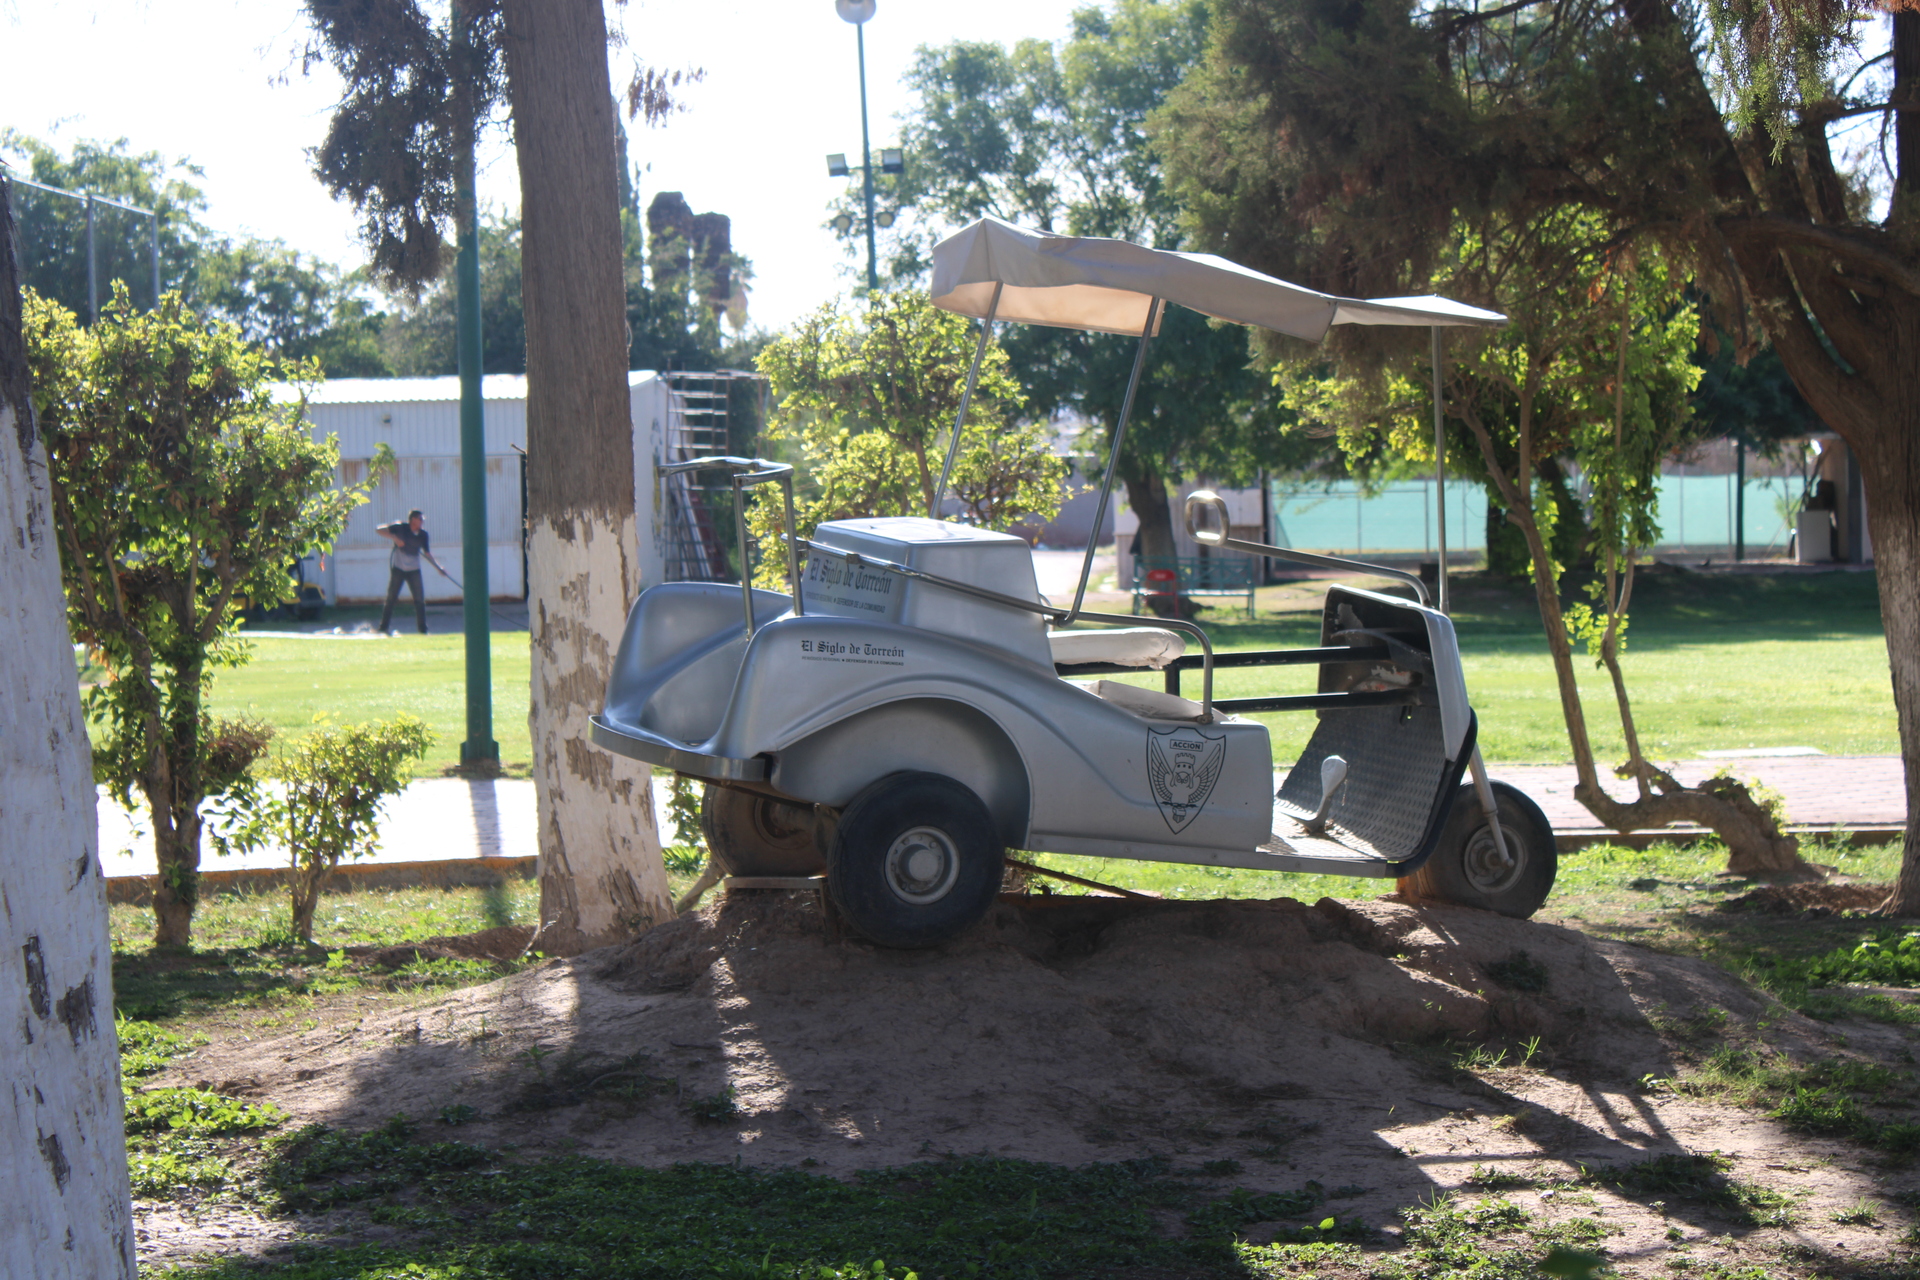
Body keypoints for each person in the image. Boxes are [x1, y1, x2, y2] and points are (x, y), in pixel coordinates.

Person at [376, 509, 447, 635]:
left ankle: (423, 630)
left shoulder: (423, 535)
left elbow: (427, 553)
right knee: (391, 598)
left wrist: (439, 568)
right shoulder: (400, 527)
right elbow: (378, 530)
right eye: (420, 519)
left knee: (419, 600)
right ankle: (383, 628)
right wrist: (394, 538)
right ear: (413, 520)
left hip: (414, 570)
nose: (422, 521)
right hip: (398, 569)